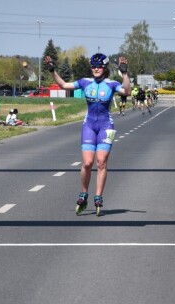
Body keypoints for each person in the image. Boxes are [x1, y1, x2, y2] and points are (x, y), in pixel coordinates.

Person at [44, 53, 131, 216]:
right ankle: (84, 193)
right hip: (89, 125)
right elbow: (63, 85)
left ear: (104, 68)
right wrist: (52, 70)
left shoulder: (111, 84)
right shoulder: (85, 82)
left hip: (106, 126)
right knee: (87, 162)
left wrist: (125, 74)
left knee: (101, 162)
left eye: (98, 66)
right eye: (93, 66)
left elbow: (127, 91)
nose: (96, 69)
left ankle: (98, 196)